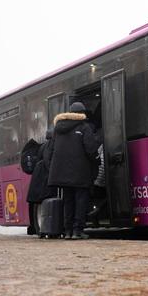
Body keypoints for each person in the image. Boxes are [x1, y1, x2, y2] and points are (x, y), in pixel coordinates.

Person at [47, 102, 100, 239]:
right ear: (82, 113)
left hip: (62, 173)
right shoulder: (84, 127)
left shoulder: (58, 129)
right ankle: (78, 231)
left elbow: (51, 150)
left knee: (68, 201)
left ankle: (68, 231)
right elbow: (90, 149)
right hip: (80, 172)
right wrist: (96, 160)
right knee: (81, 201)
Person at [26, 129, 57, 235]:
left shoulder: (44, 145)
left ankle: (35, 228)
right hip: (43, 178)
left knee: (36, 201)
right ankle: (43, 228)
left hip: (38, 178)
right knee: (43, 200)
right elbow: (49, 162)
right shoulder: (50, 146)